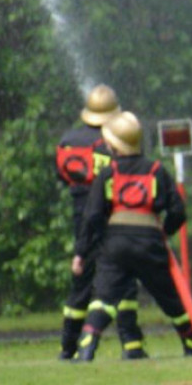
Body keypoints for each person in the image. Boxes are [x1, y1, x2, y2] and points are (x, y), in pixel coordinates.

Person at [71, 111, 192, 361]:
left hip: (116, 244)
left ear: (113, 145)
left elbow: (92, 216)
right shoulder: (156, 170)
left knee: (104, 297)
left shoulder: (107, 174)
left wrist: (83, 252)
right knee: (169, 297)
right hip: (149, 244)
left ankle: (87, 345)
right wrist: (163, 232)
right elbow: (178, 210)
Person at [55, 84, 141, 360]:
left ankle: (67, 346)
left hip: (79, 216)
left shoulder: (67, 140)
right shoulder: (112, 142)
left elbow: (62, 176)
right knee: (123, 280)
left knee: (80, 282)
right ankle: (131, 345)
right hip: (110, 217)